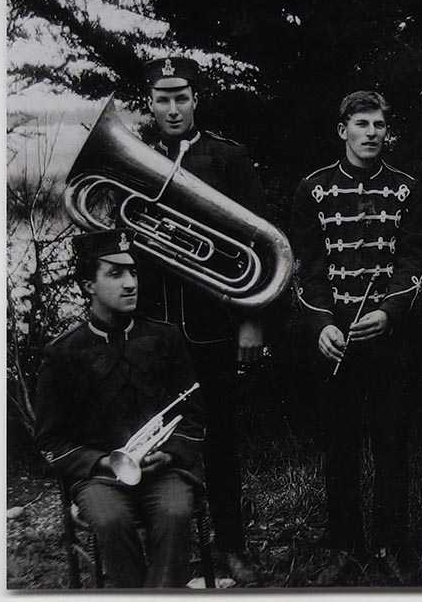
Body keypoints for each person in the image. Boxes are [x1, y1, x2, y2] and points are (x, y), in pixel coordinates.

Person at [289, 91, 422, 585]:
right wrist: (322, 323)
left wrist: (389, 313)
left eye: (379, 125)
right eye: (362, 124)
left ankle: (392, 543)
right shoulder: (314, 189)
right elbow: (307, 269)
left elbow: (415, 262)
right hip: (336, 337)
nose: (372, 133)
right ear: (342, 130)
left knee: (393, 440)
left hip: (390, 337)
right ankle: (343, 545)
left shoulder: (408, 189)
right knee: (339, 443)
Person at [135, 56, 267, 583]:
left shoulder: (228, 158)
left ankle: (231, 546)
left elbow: (261, 244)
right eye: (162, 99)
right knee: (151, 442)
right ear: (150, 103)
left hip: (213, 327)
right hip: (150, 331)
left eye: (181, 97)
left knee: (220, 442)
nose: (172, 108)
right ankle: (165, 547)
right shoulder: (136, 159)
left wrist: (251, 320)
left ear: (196, 100)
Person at [35, 228, 205, 588]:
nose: (130, 283)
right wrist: (103, 461)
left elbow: (194, 414)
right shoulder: (63, 352)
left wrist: (171, 455)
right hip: (100, 479)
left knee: (175, 513)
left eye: (133, 272)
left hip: (164, 471)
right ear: (88, 286)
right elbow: (51, 440)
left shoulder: (166, 337)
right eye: (115, 273)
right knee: (111, 521)